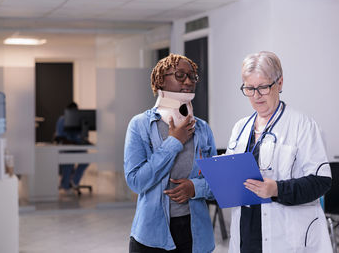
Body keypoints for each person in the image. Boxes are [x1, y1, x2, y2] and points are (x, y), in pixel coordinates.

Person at [226, 51, 332, 252]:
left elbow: (321, 182)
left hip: (286, 237)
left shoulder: (303, 125)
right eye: (249, 88)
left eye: (263, 87)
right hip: (246, 234)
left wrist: (276, 189)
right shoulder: (240, 128)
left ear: (280, 83)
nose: (256, 96)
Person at [124, 53, 217, 253]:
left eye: (192, 76)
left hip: (195, 234)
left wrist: (195, 188)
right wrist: (174, 141)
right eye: (180, 75)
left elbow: (217, 182)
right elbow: (136, 182)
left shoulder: (202, 128)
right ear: (160, 81)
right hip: (151, 236)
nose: (188, 81)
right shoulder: (140, 125)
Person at [55, 102, 89, 192]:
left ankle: (74, 181)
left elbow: (80, 136)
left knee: (86, 158)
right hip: (66, 148)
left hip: (77, 147)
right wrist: (73, 142)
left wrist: (85, 140)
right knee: (68, 161)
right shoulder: (62, 119)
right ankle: (65, 185)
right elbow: (59, 137)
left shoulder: (78, 120)